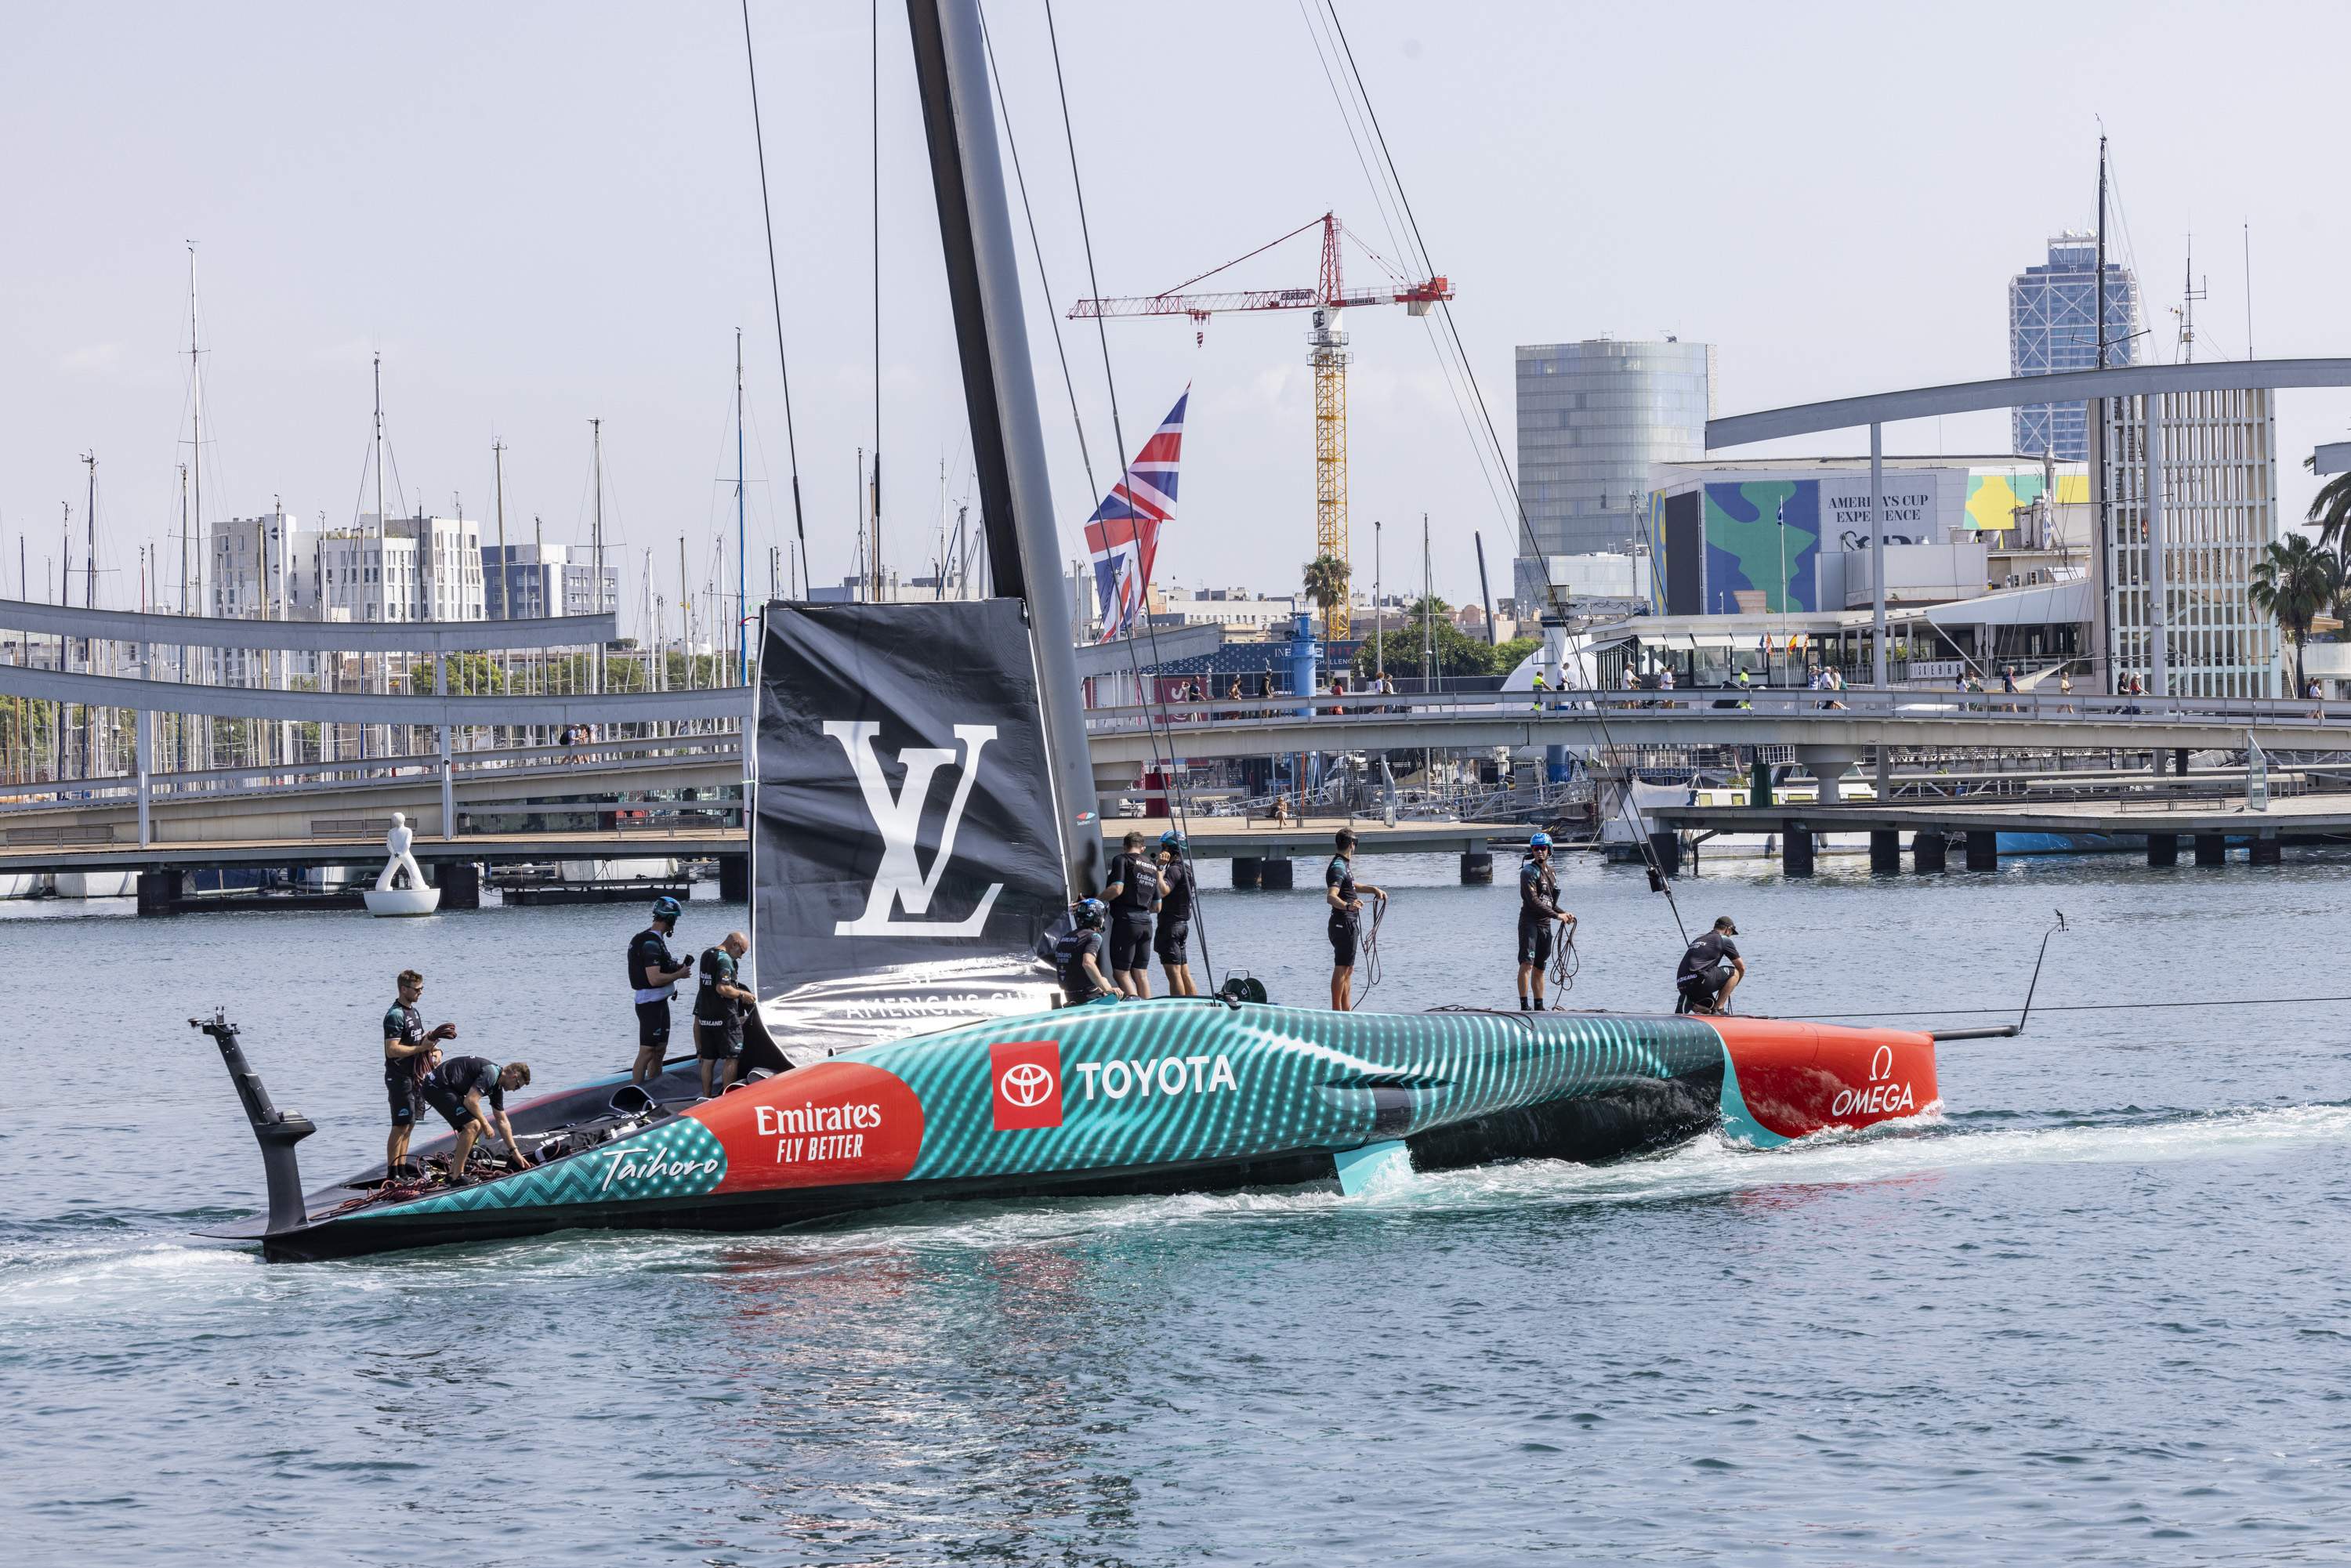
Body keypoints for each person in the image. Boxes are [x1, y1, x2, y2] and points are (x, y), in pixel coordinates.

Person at [382, 968, 457, 1180]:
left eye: (422, 988)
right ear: (404, 989)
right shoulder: (395, 1015)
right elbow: (392, 1049)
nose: (421, 993)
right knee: (400, 1124)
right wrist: (422, 1050)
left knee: (410, 1124)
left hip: (414, 1078)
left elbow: (418, 1040)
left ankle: (402, 1169)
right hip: (399, 1078)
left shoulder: (413, 1012)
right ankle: (392, 1173)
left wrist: (434, 1049)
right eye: (417, 989)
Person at [421, 1055, 534, 1183]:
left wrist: (515, 1152)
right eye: (518, 1086)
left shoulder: (496, 1086)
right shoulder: (491, 1073)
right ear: (514, 1076)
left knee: (475, 1127)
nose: (515, 1091)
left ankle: (453, 1174)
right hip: (436, 1085)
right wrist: (486, 1123)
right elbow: (470, 1101)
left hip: (447, 1088)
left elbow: (503, 1121)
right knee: (473, 1126)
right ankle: (456, 1176)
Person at [627, 896, 695, 1085]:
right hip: (649, 1003)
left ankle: (654, 1088)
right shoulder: (650, 943)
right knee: (647, 1050)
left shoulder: (655, 939)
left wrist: (676, 967)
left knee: (660, 1049)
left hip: (660, 1002)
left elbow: (661, 966)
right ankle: (636, 1091)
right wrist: (679, 975)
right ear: (671, 919)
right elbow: (654, 978)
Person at [1324, 827, 1386, 1011]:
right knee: (1342, 967)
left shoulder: (1343, 865)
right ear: (1352, 845)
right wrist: (1348, 906)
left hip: (1348, 923)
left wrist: (1373, 889)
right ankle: (1337, 1012)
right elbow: (1331, 896)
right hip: (1342, 922)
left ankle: (1346, 1011)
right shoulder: (1338, 867)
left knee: (1348, 969)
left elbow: (1351, 885)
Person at [692, 929, 756, 1099]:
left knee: (708, 1060)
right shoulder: (725, 959)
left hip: (706, 1017)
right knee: (732, 1057)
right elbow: (722, 988)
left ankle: (706, 1096)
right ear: (734, 944)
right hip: (725, 1018)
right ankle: (728, 1100)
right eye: (741, 951)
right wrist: (743, 994)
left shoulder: (707, 955)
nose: (741, 957)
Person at [1516, 831, 1577, 1011]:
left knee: (1541, 967)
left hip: (1545, 924)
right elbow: (1534, 902)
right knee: (1528, 963)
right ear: (1532, 851)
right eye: (1536, 849)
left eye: (1543, 848)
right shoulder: (1528, 872)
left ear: (1549, 850)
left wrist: (1564, 913)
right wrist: (1557, 916)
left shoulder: (1552, 873)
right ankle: (1524, 1005)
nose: (1539, 852)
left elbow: (1550, 903)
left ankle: (1539, 1006)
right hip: (1530, 923)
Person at [1101, 830, 1163, 998]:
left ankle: (1137, 1008)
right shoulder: (1152, 866)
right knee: (1141, 974)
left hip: (1127, 922)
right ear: (1142, 848)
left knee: (1121, 973)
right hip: (1147, 924)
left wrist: (1096, 899)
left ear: (1124, 847)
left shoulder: (1121, 860)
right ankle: (1148, 1012)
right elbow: (1157, 906)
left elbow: (1117, 889)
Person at [1153, 831, 1198, 997]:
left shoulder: (1174, 870)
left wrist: (1158, 868)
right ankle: (1194, 1005)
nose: (1160, 851)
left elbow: (1163, 890)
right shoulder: (1186, 868)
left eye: (1163, 847)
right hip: (1182, 926)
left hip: (1170, 926)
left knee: (1174, 974)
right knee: (1184, 971)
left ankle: (1178, 1008)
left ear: (1170, 849)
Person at [1675, 916, 1745, 1016]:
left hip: (1682, 985)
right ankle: (1719, 1009)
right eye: (1731, 933)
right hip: (1698, 981)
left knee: (1709, 1010)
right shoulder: (1723, 939)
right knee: (1735, 973)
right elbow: (1741, 967)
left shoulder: (1699, 939)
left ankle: (1690, 1003)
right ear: (1728, 930)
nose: (1730, 936)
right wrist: (1731, 987)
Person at [1054, 899, 1118, 1004]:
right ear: (1098, 917)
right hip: (1088, 995)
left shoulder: (1066, 937)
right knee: (1112, 990)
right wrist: (1108, 990)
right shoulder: (1094, 936)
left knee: (1104, 980)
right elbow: (1088, 963)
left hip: (1070, 994)